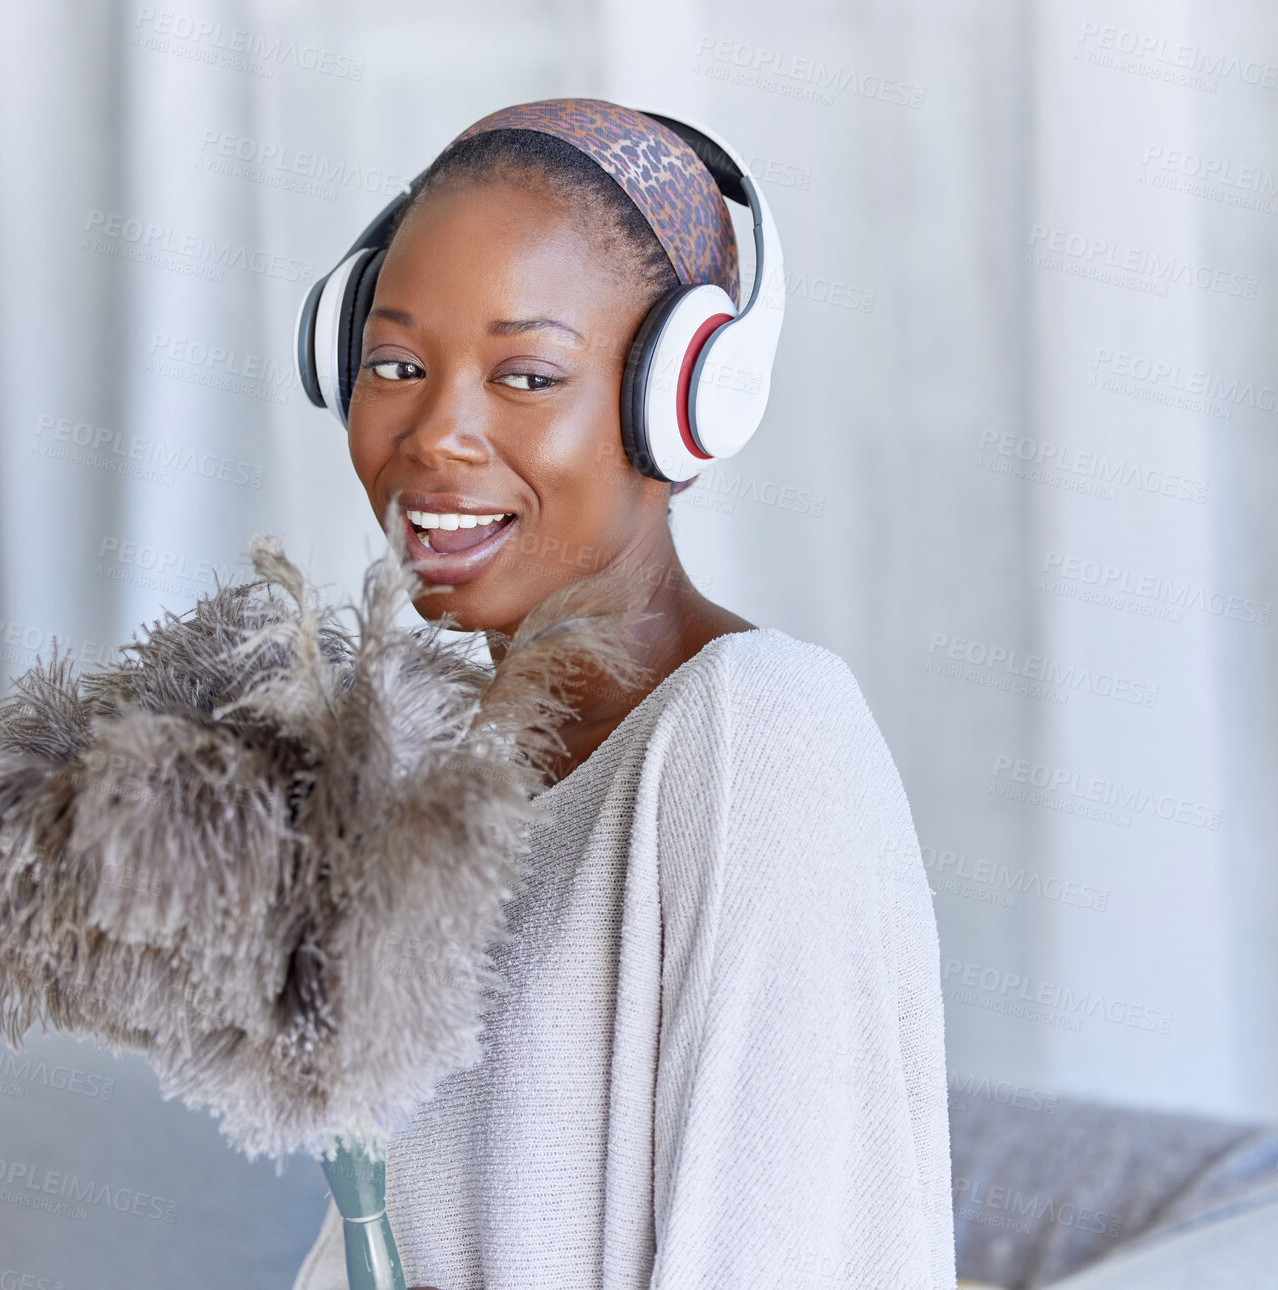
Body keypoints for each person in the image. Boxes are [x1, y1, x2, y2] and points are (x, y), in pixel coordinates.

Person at [294, 98, 956, 1290]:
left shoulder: (756, 732)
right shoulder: (436, 777)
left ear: (685, 399)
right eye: (396, 364)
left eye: (527, 373)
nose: (436, 434)